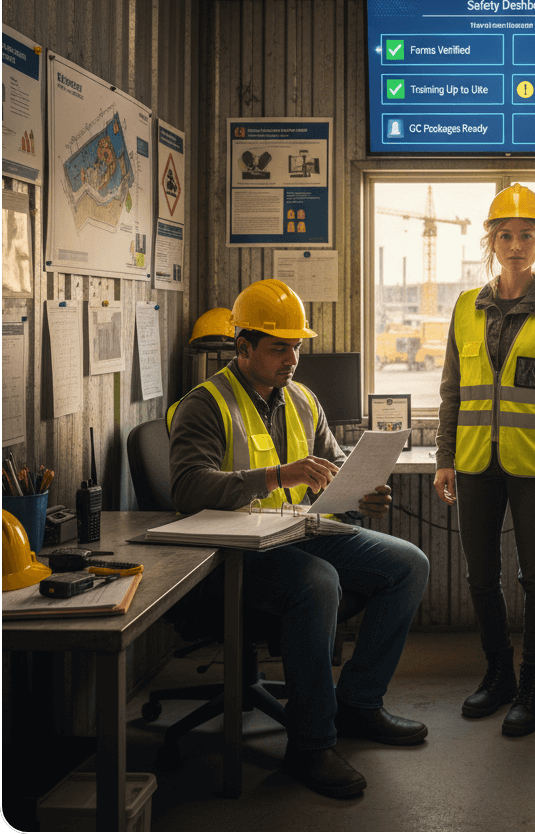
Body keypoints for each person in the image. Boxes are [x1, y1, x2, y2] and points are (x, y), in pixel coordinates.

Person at [168, 279, 430, 798]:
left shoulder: (305, 400)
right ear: (241, 347)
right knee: (318, 583)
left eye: (296, 346)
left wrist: (360, 493)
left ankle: (358, 704)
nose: (292, 357)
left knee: (410, 565)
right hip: (230, 553)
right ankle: (310, 746)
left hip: (294, 534)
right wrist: (276, 476)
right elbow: (186, 486)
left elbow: (331, 468)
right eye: (278, 347)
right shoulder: (204, 404)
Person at [433, 183, 535, 736]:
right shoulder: (464, 307)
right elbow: (452, 391)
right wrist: (444, 457)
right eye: (506, 234)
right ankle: (498, 673)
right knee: (480, 577)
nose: (516, 244)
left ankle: (533, 686)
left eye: (527, 235)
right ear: (491, 242)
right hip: (476, 463)